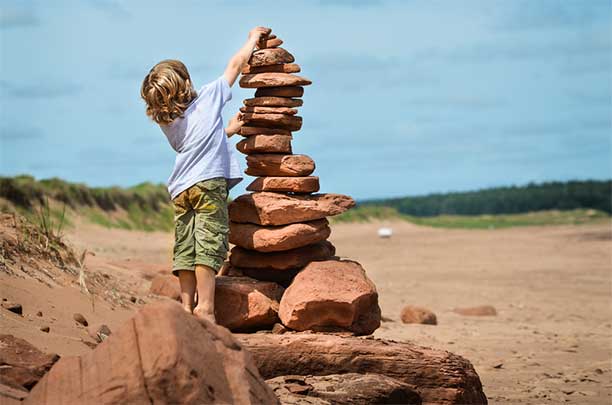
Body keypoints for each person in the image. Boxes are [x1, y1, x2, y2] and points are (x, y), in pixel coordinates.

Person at [140, 26, 271, 321]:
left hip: (181, 187)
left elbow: (196, 144)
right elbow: (236, 64)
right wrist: (252, 39)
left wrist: (229, 131)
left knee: (186, 246)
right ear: (186, 82)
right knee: (208, 244)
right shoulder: (210, 97)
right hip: (208, 184)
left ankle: (186, 307)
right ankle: (207, 308)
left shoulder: (168, 123)